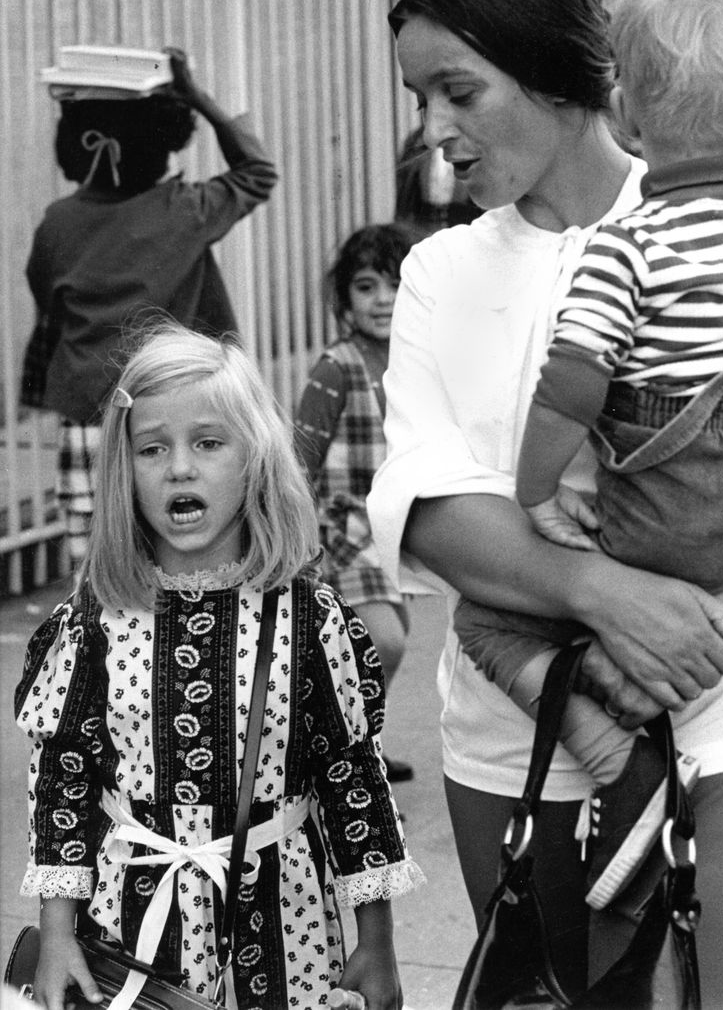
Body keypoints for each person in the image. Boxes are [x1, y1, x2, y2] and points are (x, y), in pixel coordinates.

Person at [366, 0, 723, 1009]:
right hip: (510, 740)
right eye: (423, 98)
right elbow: (427, 514)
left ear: (565, 74)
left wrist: (707, 630)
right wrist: (610, 601)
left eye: (457, 91)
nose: (433, 133)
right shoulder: (439, 272)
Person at [15, 324, 424, 1010]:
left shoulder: (307, 617)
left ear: (254, 458)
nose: (180, 467)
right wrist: (56, 934)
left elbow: (352, 779)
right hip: (133, 925)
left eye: (207, 442)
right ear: (126, 468)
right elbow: (64, 783)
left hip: (287, 922)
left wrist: (375, 941)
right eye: (152, 447)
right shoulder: (95, 619)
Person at [20, 48, 277, 572]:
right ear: (165, 142)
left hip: (89, 423)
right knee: (186, 564)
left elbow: (46, 298)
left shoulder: (57, 225)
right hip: (178, 421)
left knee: (97, 580)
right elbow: (257, 171)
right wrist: (199, 96)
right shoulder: (186, 210)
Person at [294, 223, 416, 783]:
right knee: (381, 640)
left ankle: (354, 744)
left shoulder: (417, 359)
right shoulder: (336, 367)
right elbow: (300, 458)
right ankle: (346, 755)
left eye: (395, 284)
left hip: (393, 528)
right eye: (367, 286)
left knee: (373, 646)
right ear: (344, 298)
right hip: (342, 528)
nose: (383, 299)